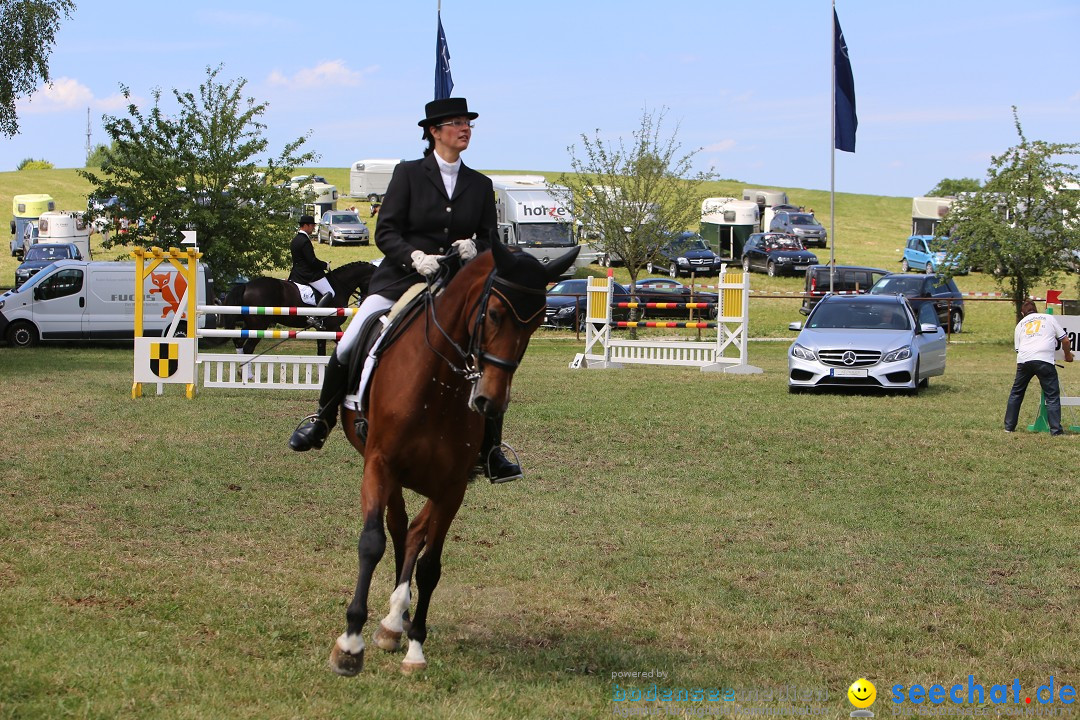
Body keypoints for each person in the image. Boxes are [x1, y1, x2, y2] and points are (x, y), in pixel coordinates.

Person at [288, 97, 524, 482]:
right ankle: (323, 420)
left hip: (456, 286)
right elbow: (386, 232)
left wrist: (474, 248)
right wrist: (414, 256)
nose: (465, 129)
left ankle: (491, 449)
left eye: (469, 123)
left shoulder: (480, 185)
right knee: (349, 343)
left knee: (490, 352)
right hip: (402, 278)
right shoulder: (408, 174)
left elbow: (489, 239)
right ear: (434, 131)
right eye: (457, 123)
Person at [1004, 299, 1074, 435]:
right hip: (1044, 360)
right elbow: (1065, 340)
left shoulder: (1020, 325)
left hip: (1024, 360)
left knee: (1016, 393)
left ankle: (1009, 427)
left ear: (1022, 313)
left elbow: (1018, 349)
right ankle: (1056, 431)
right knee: (1052, 395)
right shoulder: (1048, 318)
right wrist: (1068, 356)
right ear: (1036, 309)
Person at [288, 215, 336, 308]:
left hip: (296, 273)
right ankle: (315, 317)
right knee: (330, 293)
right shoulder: (305, 241)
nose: (313, 227)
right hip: (307, 274)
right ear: (306, 225)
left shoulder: (295, 240)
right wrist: (325, 265)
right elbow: (312, 261)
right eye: (312, 225)